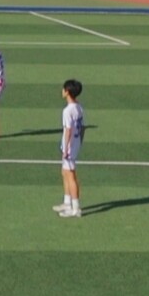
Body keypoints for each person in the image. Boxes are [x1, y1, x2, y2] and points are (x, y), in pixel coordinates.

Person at [57, 78, 85, 218]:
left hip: (69, 146)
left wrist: (66, 149)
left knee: (70, 175)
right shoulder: (79, 107)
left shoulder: (67, 111)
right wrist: (79, 142)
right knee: (65, 172)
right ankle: (67, 202)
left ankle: (75, 208)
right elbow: (82, 127)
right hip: (75, 143)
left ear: (67, 92)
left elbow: (68, 130)